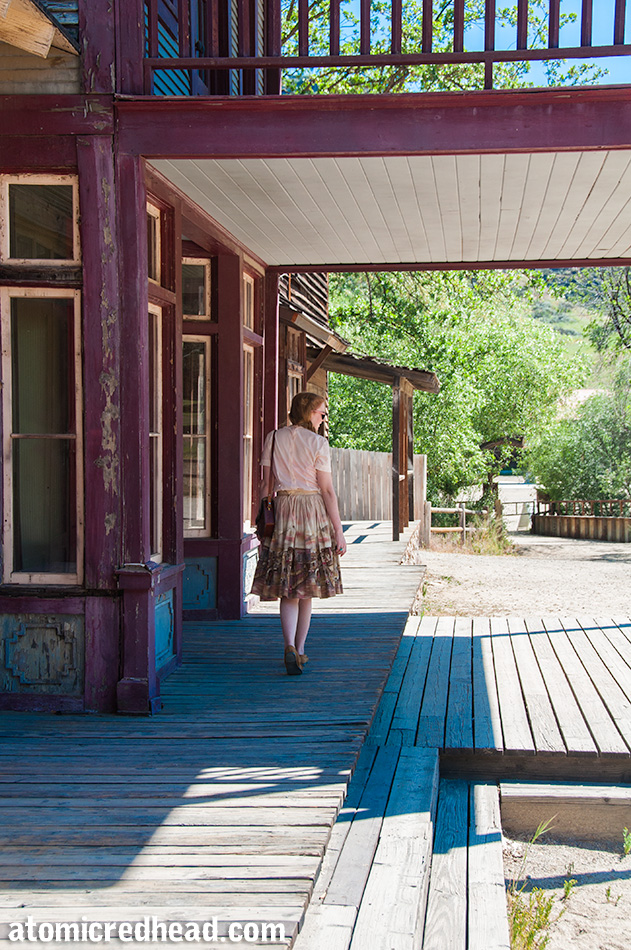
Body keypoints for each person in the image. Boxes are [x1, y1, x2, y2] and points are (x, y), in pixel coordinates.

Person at [252, 392, 346, 675]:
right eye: (321, 413)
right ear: (308, 413)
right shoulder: (318, 443)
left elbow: (265, 486)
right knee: (307, 585)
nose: (323, 419)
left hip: (282, 510)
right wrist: (338, 530)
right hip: (311, 511)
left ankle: (289, 646)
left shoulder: (273, 438)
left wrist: (262, 520)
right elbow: (327, 490)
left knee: (287, 586)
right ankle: (301, 649)